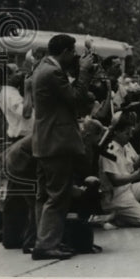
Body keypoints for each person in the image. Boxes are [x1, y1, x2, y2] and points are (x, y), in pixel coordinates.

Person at [31, 33, 95, 261]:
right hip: (56, 142)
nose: (76, 56)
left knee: (44, 195)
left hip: (44, 141)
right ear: (65, 51)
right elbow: (76, 98)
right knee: (58, 196)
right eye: (73, 52)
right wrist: (85, 71)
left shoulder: (43, 68)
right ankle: (47, 244)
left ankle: (43, 240)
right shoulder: (53, 72)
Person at [99, 117, 140, 227]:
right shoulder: (109, 150)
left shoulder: (126, 145)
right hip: (115, 197)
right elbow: (115, 181)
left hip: (128, 190)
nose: (130, 136)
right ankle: (116, 216)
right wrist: (138, 175)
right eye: (127, 133)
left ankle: (135, 213)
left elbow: (134, 165)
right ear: (117, 132)